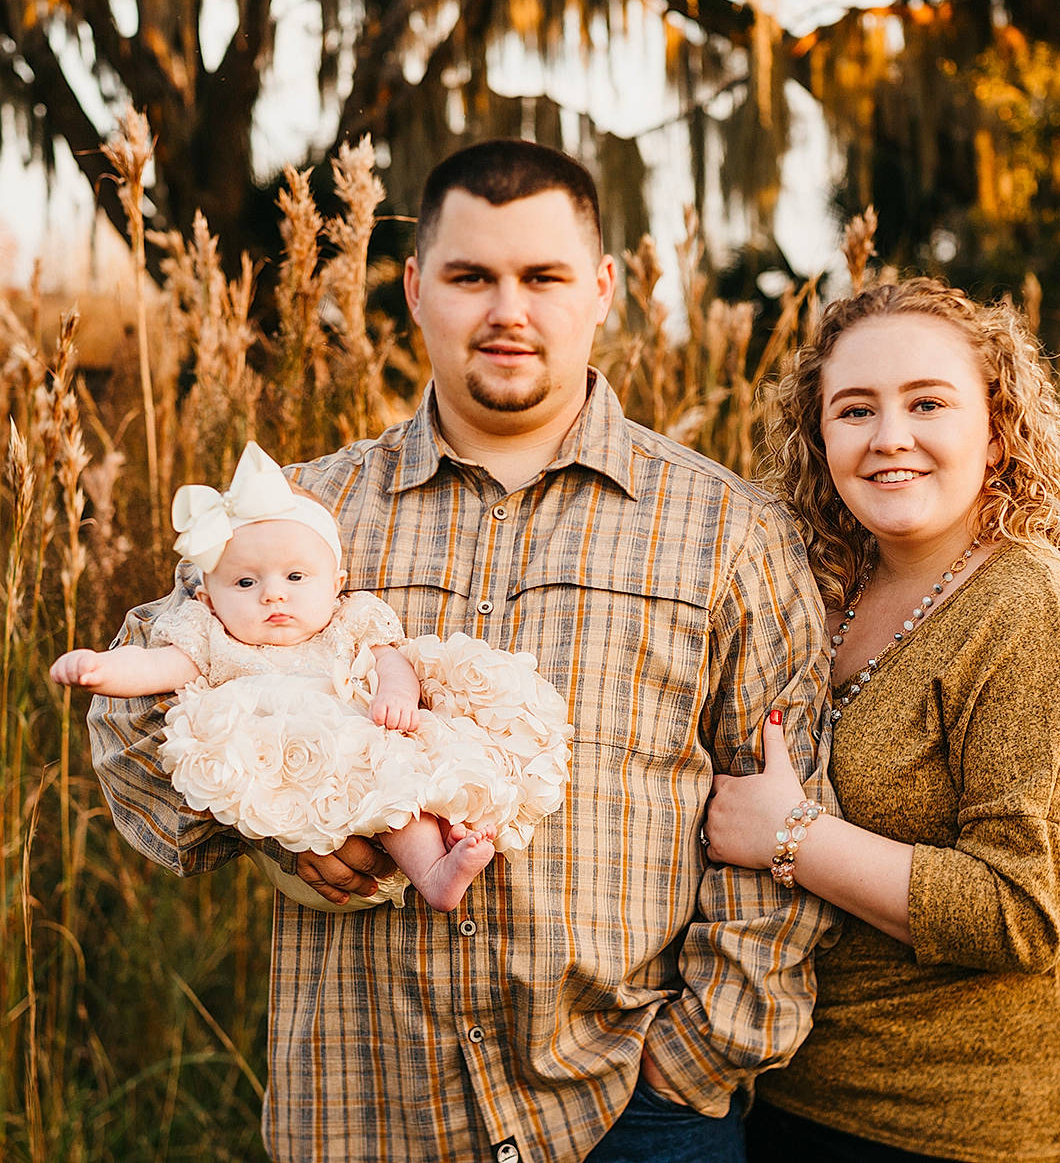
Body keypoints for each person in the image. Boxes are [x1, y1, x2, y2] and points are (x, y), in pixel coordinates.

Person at [90, 139, 839, 1163]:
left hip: (629, 1109)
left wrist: (696, 1059)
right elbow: (131, 710)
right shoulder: (306, 517)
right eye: (470, 276)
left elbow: (789, 802)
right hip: (363, 1108)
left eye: (541, 277)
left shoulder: (725, 531)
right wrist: (275, 817)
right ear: (412, 288)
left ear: (603, 288)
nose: (507, 311)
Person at [705, 277, 1060, 1162]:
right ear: (819, 438)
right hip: (804, 1103)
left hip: (1002, 1131)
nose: (890, 438)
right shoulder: (818, 591)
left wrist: (791, 834)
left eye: (928, 403)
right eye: (854, 410)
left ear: (995, 429)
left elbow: (1023, 911)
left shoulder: (1037, 612)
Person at [52, 441, 571, 913]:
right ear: (209, 598)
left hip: (357, 742)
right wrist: (99, 669)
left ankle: (435, 870)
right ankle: (432, 863)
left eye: (296, 577)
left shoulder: (346, 625)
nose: (273, 594)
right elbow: (155, 667)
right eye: (246, 581)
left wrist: (395, 692)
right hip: (287, 775)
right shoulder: (215, 639)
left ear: (336, 584)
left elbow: (391, 661)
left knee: (396, 785)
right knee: (372, 786)